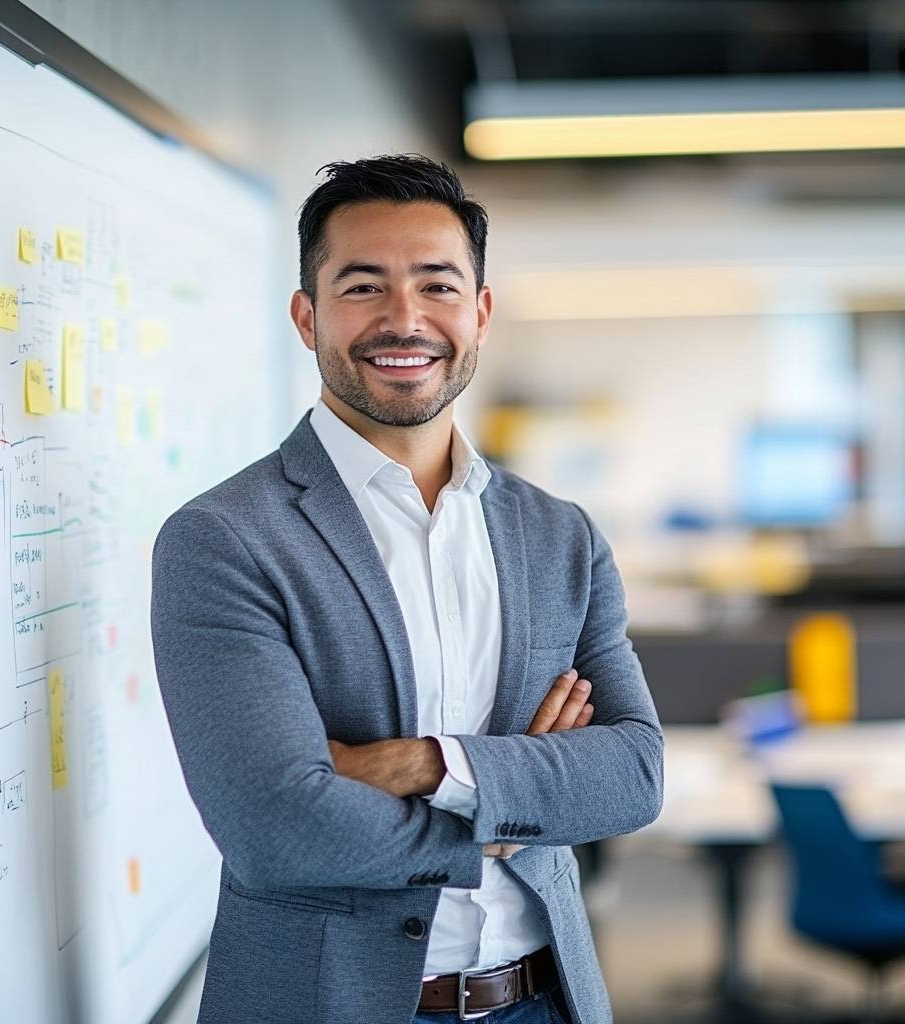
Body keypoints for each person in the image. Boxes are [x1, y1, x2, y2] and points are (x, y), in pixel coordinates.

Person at [150, 154, 664, 1024]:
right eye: (362, 288)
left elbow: (634, 776)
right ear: (306, 317)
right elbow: (275, 827)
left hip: (546, 999)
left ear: (482, 313)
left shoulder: (559, 536)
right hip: (330, 1005)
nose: (404, 320)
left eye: (437, 286)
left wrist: (431, 764)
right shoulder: (224, 540)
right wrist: (504, 815)